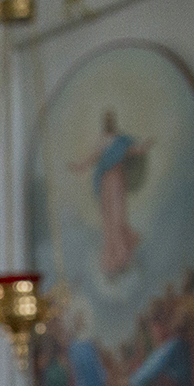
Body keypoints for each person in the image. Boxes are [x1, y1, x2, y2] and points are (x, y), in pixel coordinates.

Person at [70, 110, 153, 279]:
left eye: (110, 120)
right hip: (105, 183)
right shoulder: (102, 140)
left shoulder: (120, 140)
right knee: (108, 222)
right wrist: (80, 167)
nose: (107, 123)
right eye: (105, 121)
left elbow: (132, 151)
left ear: (113, 122)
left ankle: (123, 258)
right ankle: (112, 262)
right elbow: (94, 158)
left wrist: (143, 148)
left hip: (116, 180)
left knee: (117, 218)